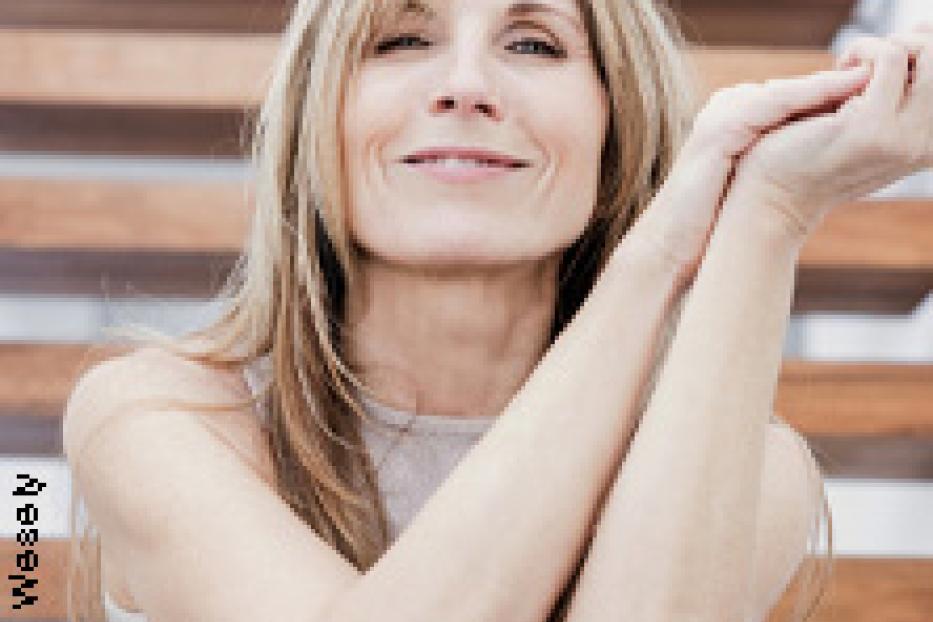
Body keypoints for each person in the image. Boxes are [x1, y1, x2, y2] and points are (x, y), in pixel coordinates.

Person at [61, 0, 932, 621]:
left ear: (612, 123)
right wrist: (659, 253)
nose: (466, 87)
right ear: (316, 116)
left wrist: (768, 211)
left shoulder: (745, 467)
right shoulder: (159, 416)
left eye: (534, 42)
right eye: (401, 38)